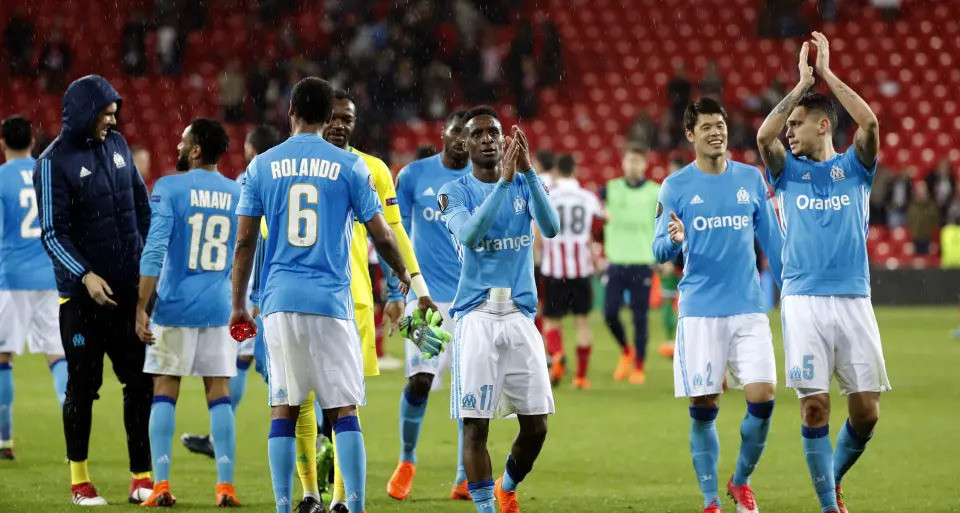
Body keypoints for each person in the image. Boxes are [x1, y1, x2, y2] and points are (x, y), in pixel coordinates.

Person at [230, 77, 411, 513]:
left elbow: (244, 243)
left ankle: (283, 504)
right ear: (328, 115)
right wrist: (402, 272)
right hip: (331, 300)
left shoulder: (260, 166)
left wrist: (238, 303)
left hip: (278, 302)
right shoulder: (350, 167)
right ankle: (356, 505)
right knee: (343, 410)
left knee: (285, 409)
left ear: (290, 109)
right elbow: (381, 233)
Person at [757, 33, 890, 513]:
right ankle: (828, 507)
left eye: (798, 123)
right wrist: (799, 84)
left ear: (823, 125)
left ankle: (830, 479)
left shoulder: (856, 167)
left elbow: (871, 122)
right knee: (814, 406)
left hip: (854, 298)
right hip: (803, 299)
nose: (789, 130)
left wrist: (828, 77)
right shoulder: (785, 172)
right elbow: (762, 137)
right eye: (788, 123)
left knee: (867, 411)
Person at [654, 98, 784, 513]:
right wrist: (672, 241)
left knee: (763, 399)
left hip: (748, 309)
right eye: (707, 126)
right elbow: (657, 248)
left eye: (721, 125)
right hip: (699, 313)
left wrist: (792, 289)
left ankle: (740, 481)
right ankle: (711, 500)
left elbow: (775, 245)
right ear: (690, 135)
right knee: (704, 406)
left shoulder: (751, 179)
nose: (717, 132)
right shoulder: (675, 186)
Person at [34, 74, 154, 505]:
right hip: (82, 302)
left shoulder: (119, 146)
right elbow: (52, 233)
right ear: (85, 112)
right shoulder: (52, 163)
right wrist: (84, 274)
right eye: (106, 113)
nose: (113, 119)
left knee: (140, 384)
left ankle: (141, 477)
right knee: (82, 390)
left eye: (114, 112)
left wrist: (150, 267)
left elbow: (141, 208)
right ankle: (80, 481)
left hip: (126, 295)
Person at [319, 89, 436, 513]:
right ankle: (313, 490)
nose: (339, 125)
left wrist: (398, 288)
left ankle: (336, 498)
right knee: (304, 404)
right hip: (304, 297)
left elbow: (391, 233)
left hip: (355, 301)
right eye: (332, 117)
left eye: (346, 119)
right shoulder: (298, 163)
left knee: (344, 399)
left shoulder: (373, 169)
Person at [439, 106, 560, 513]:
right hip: (475, 317)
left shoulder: (524, 182)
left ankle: (508, 485)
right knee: (475, 425)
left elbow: (553, 226)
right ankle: (487, 508)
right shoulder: (452, 192)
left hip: (519, 315)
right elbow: (471, 235)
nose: (489, 139)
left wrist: (525, 174)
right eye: (479, 134)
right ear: (464, 143)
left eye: (495, 132)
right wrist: (505, 184)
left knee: (538, 424)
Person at [134, 118, 241, 507]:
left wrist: (141, 305)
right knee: (220, 394)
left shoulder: (169, 188)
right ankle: (225, 487)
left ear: (196, 150)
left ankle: (161, 486)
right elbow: (246, 252)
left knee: (164, 391)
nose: (178, 147)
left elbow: (154, 250)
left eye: (183, 142)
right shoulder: (236, 193)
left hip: (175, 308)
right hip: (219, 308)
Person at [180, 125, 283, 459]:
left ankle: (304, 438)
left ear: (251, 150)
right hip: (281, 288)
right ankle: (314, 437)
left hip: (250, 292)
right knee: (275, 368)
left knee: (250, 364)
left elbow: (237, 243)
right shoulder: (286, 179)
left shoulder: (243, 184)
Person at [386, 109, 473, 501]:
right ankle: (407, 459)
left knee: (469, 389)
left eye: (468, 135)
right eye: (456, 131)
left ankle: (463, 475)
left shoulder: (484, 180)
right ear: (444, 132)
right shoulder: (413, 176)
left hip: (473, 302)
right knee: (420, 380)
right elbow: (395, 236)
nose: (461, 139)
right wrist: (394, 292)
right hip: (422, 299)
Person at [0, 115, 67, 461]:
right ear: (32, 141)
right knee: (57, 356)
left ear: (2, 143)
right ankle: (75, 431)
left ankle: (4, 441)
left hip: (9, 280)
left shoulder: (0, 179)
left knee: (2, 358)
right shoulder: (48, 171)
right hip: (49, 276)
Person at [540, 153, 605, 389]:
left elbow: (537, 226)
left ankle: (557, 357)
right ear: (575, 171)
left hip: (555, 269)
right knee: (583, 322)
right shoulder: (587, 197)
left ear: (557, 172)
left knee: (551, 321)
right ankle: (580, 377)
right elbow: (603, 219)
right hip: (581, 268)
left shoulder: (548, 195)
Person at [599, 144, 660, 384]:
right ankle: (626, 349)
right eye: (629, 161)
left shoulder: (656, 192)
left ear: (644, 165)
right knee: (609, 313)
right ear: (623, 163)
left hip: (642, 262)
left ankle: (640, 366)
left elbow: (666, 222)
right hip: (616, 261)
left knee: (639, 317)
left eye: (638, 161)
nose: (633, 165)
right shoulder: (609, 190)